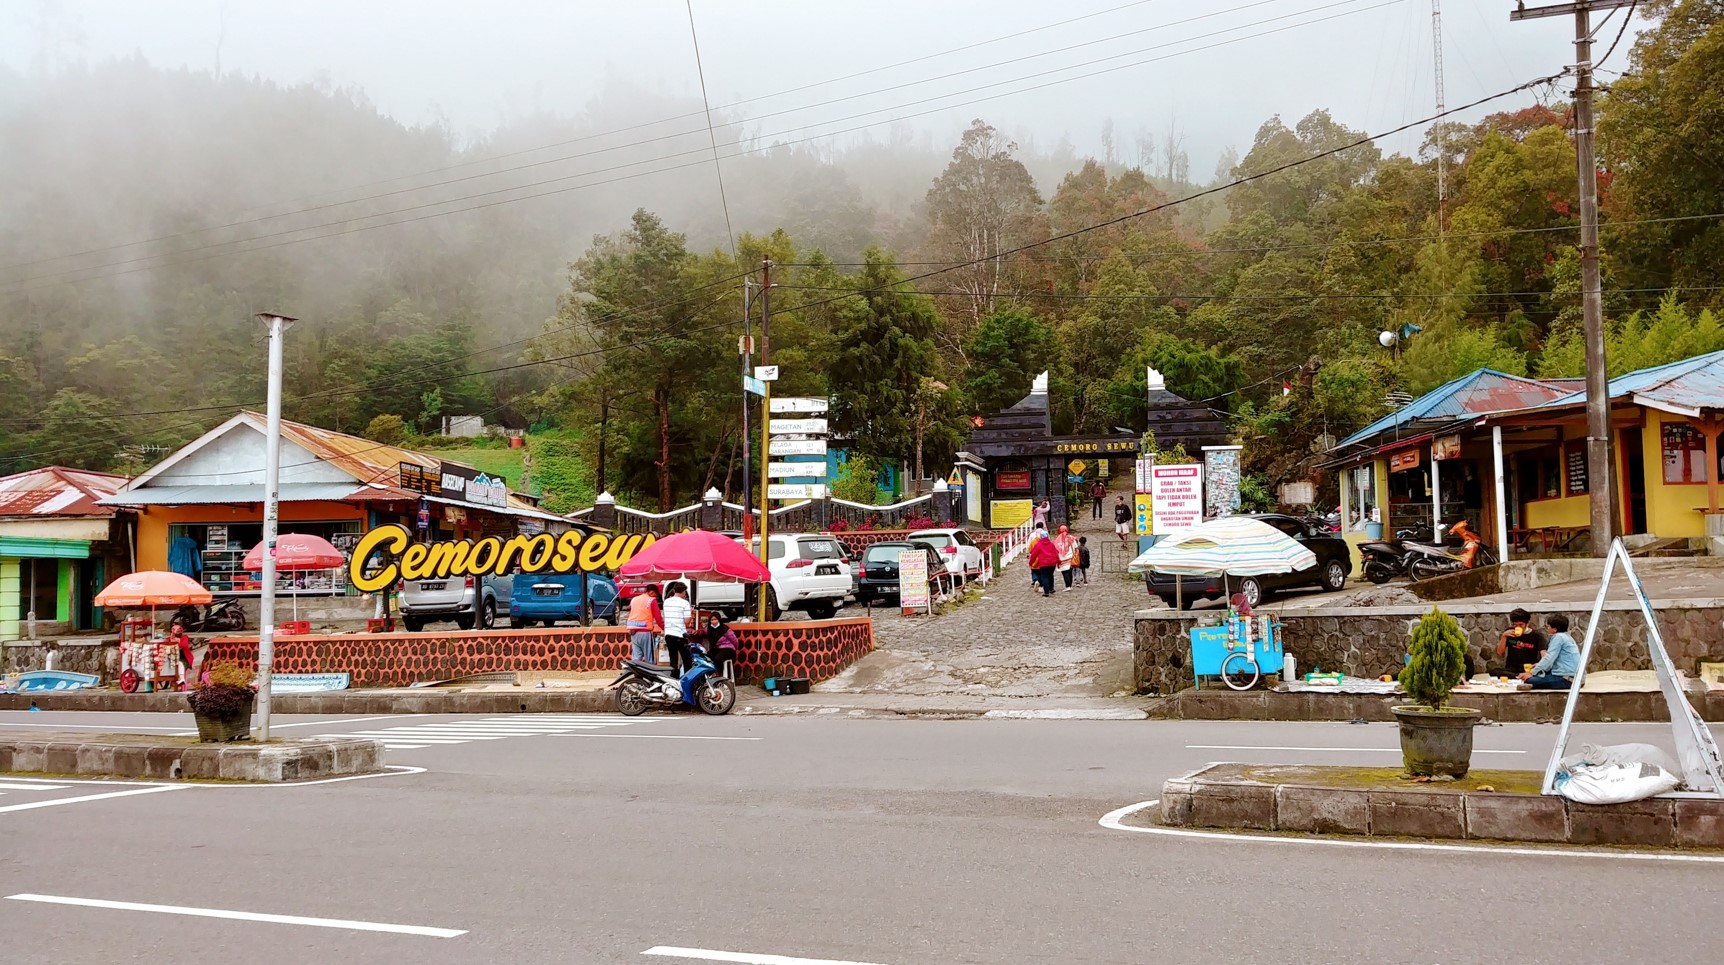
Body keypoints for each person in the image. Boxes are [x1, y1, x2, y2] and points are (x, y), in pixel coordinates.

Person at [1519, 614, 1581, 690]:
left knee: (1529, 680)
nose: (1547, 628)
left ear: (1554, 629)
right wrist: (1538, 665)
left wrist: (1531, 673)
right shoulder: (1568, 637)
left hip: (1567, 680)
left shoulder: (1558, 637)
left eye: (1549, 626)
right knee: (1539, 674)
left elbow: (1549, 658)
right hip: (1577, 678)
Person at [1493, 608, 1545, 677]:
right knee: (1494, 671)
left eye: (1521, 625)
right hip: (1512, 668)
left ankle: (1519, 676)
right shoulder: (1509, 632)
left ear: (1527, 624)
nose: (1517, 627)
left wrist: (1538, 665)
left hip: (1528, 668)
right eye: (1515, 625)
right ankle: (1519, 676)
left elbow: (1544, 655)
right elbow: (1500, 652)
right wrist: (1504, 636)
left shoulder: (1537, 635)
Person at [626, 585, 663, 665]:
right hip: (645, 632)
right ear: (652, 592)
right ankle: (649, 676)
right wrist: (664, 628)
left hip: (633, 632)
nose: (655, 598)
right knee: (649, 658)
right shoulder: (651, 600)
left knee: (636, 658)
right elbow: (658, 618)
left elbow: (631, 613)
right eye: (655, 595)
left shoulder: (634, 599)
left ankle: (637, 676)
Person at [662, 581, 693, 676]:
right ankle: (687, 680)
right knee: (687, 659)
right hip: (680, 634)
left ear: (674, 590)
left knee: (673, 660)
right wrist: (690, 613)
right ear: (683, 592)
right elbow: (687, 621)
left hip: (668, 634)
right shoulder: (685, 603)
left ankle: (674, 680)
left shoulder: (666, 602)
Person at [703, 613, 739, 680]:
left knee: (718, 659)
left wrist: (735, 649)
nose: (714, 622)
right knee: (707, 657)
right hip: (717, 649)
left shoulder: (725, 629)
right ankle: (708, 676)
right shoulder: (709, 629)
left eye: (715, 619)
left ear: (719, 620)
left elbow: (735, 641)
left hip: (728, 649)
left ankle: (719, 675)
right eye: (712, 620)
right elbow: (701, 632)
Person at [1028, 526, 1060, 597]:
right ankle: (1051, 589)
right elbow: (1056, 553)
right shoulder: (1051, 544)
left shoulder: (1038, 545)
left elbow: (1034, 554)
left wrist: (1031, 563)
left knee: (1044, 577)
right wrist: (1058, 562)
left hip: (1043, 563)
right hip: (1052, 563)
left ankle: (1046, 592)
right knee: (1051, 575)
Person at [167, 620, 195, 691]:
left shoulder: (184, 637)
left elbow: (184, 645)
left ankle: (182, 679)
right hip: (173, 658)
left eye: (179, 634)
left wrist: (176, 641)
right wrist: (171, 640)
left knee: (180, 664)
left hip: (184, 658)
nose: (177, 635)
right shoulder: (169, 638)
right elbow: (166, 644)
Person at [1053, 524, 1078, 589]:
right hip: (1071, 557)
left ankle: (1067, 586)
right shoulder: (1071, 538)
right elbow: (1075, 546)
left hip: (1062, 558)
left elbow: (1055, 549)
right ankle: (1070, 585)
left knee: (1065, 572)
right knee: (1070, 572)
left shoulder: (1058, 539)